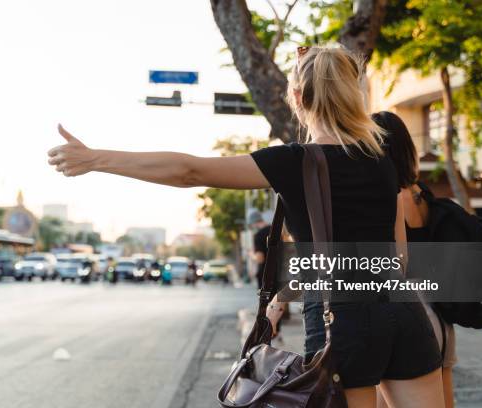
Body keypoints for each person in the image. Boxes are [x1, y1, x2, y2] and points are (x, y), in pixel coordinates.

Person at [47, 44, 444, 407]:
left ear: (298, 98)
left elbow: (189, 171)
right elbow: (399, 256)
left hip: (342, 324)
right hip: (405, 311)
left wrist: (97, 159)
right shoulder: (381, 160)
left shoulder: (295, 161)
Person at [374, 111, 457, 408]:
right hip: (440, 318)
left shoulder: (386, 197)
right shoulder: (425, 195)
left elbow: (396, 263)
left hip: (406, 313)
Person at [247, 208, 271, 289]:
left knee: (268, 301)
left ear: (254, 223)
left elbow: (260, 259)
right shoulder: (275, 229)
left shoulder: (259, 235)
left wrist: (251, 255)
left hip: (266, 276)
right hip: (281, 274)